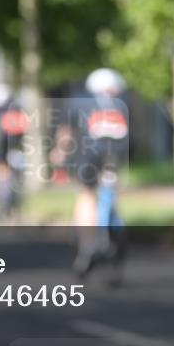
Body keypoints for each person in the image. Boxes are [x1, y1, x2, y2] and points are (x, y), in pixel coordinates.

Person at [59, 68, 129, 283]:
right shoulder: (123, 105)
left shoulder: (79, 102)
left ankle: (87, 247)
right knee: (110, 191)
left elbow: (67, 135)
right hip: (114, 159)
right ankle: (113, 233)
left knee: (86, 196)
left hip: (88, 159)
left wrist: (60, 153)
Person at [0, 83, 26, 220]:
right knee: (16, 181)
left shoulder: (3, 114)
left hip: (4, 151)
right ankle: (14, 208)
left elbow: (1, 138)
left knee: (3, 180)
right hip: (18, 150)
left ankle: (4, 208)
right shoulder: (18, 110)